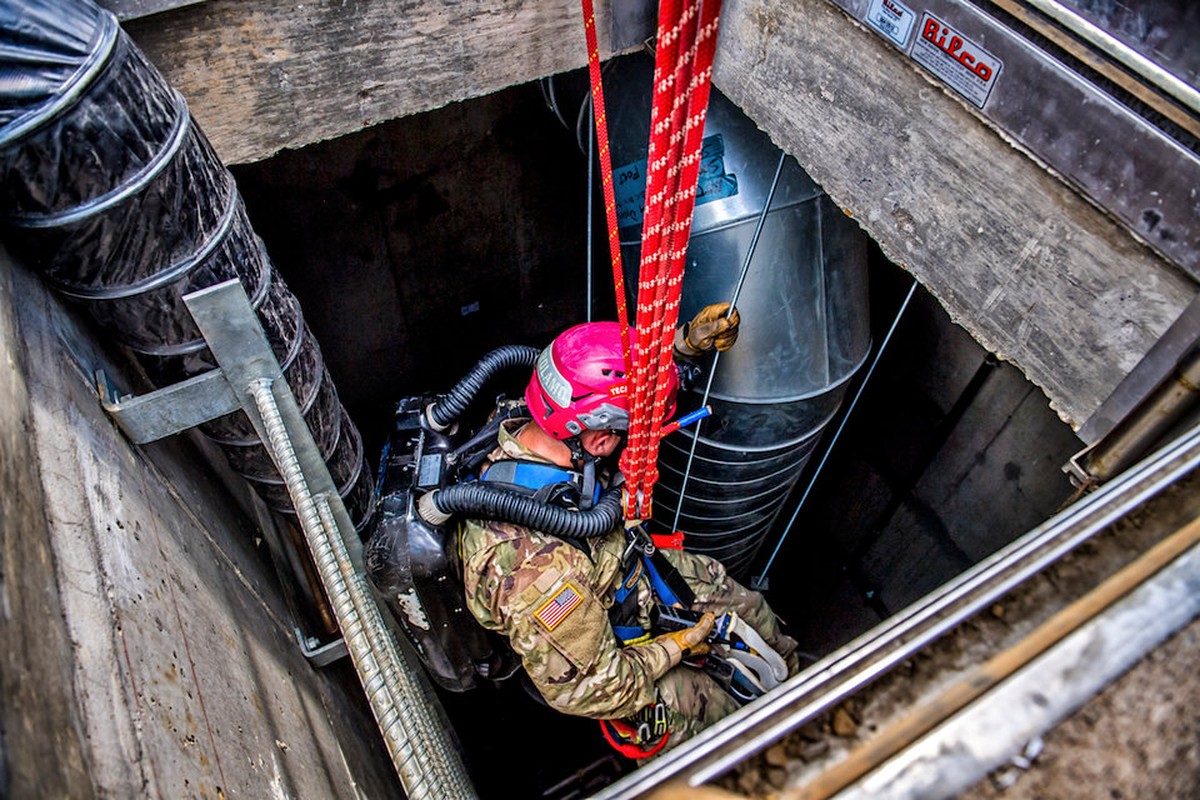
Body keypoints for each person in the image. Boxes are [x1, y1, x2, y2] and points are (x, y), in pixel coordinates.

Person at [458, 303, 799, 756]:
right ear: (599, 440)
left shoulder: (529, 420)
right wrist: (675, 648)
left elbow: (608, 391)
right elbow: (594, 689)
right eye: (629, 431)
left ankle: (799, 683)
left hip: (627, 568)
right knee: (721, 724)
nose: (633, 440)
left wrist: (680, 351)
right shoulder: (535, 574)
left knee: (747, 608)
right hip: (609, 655)